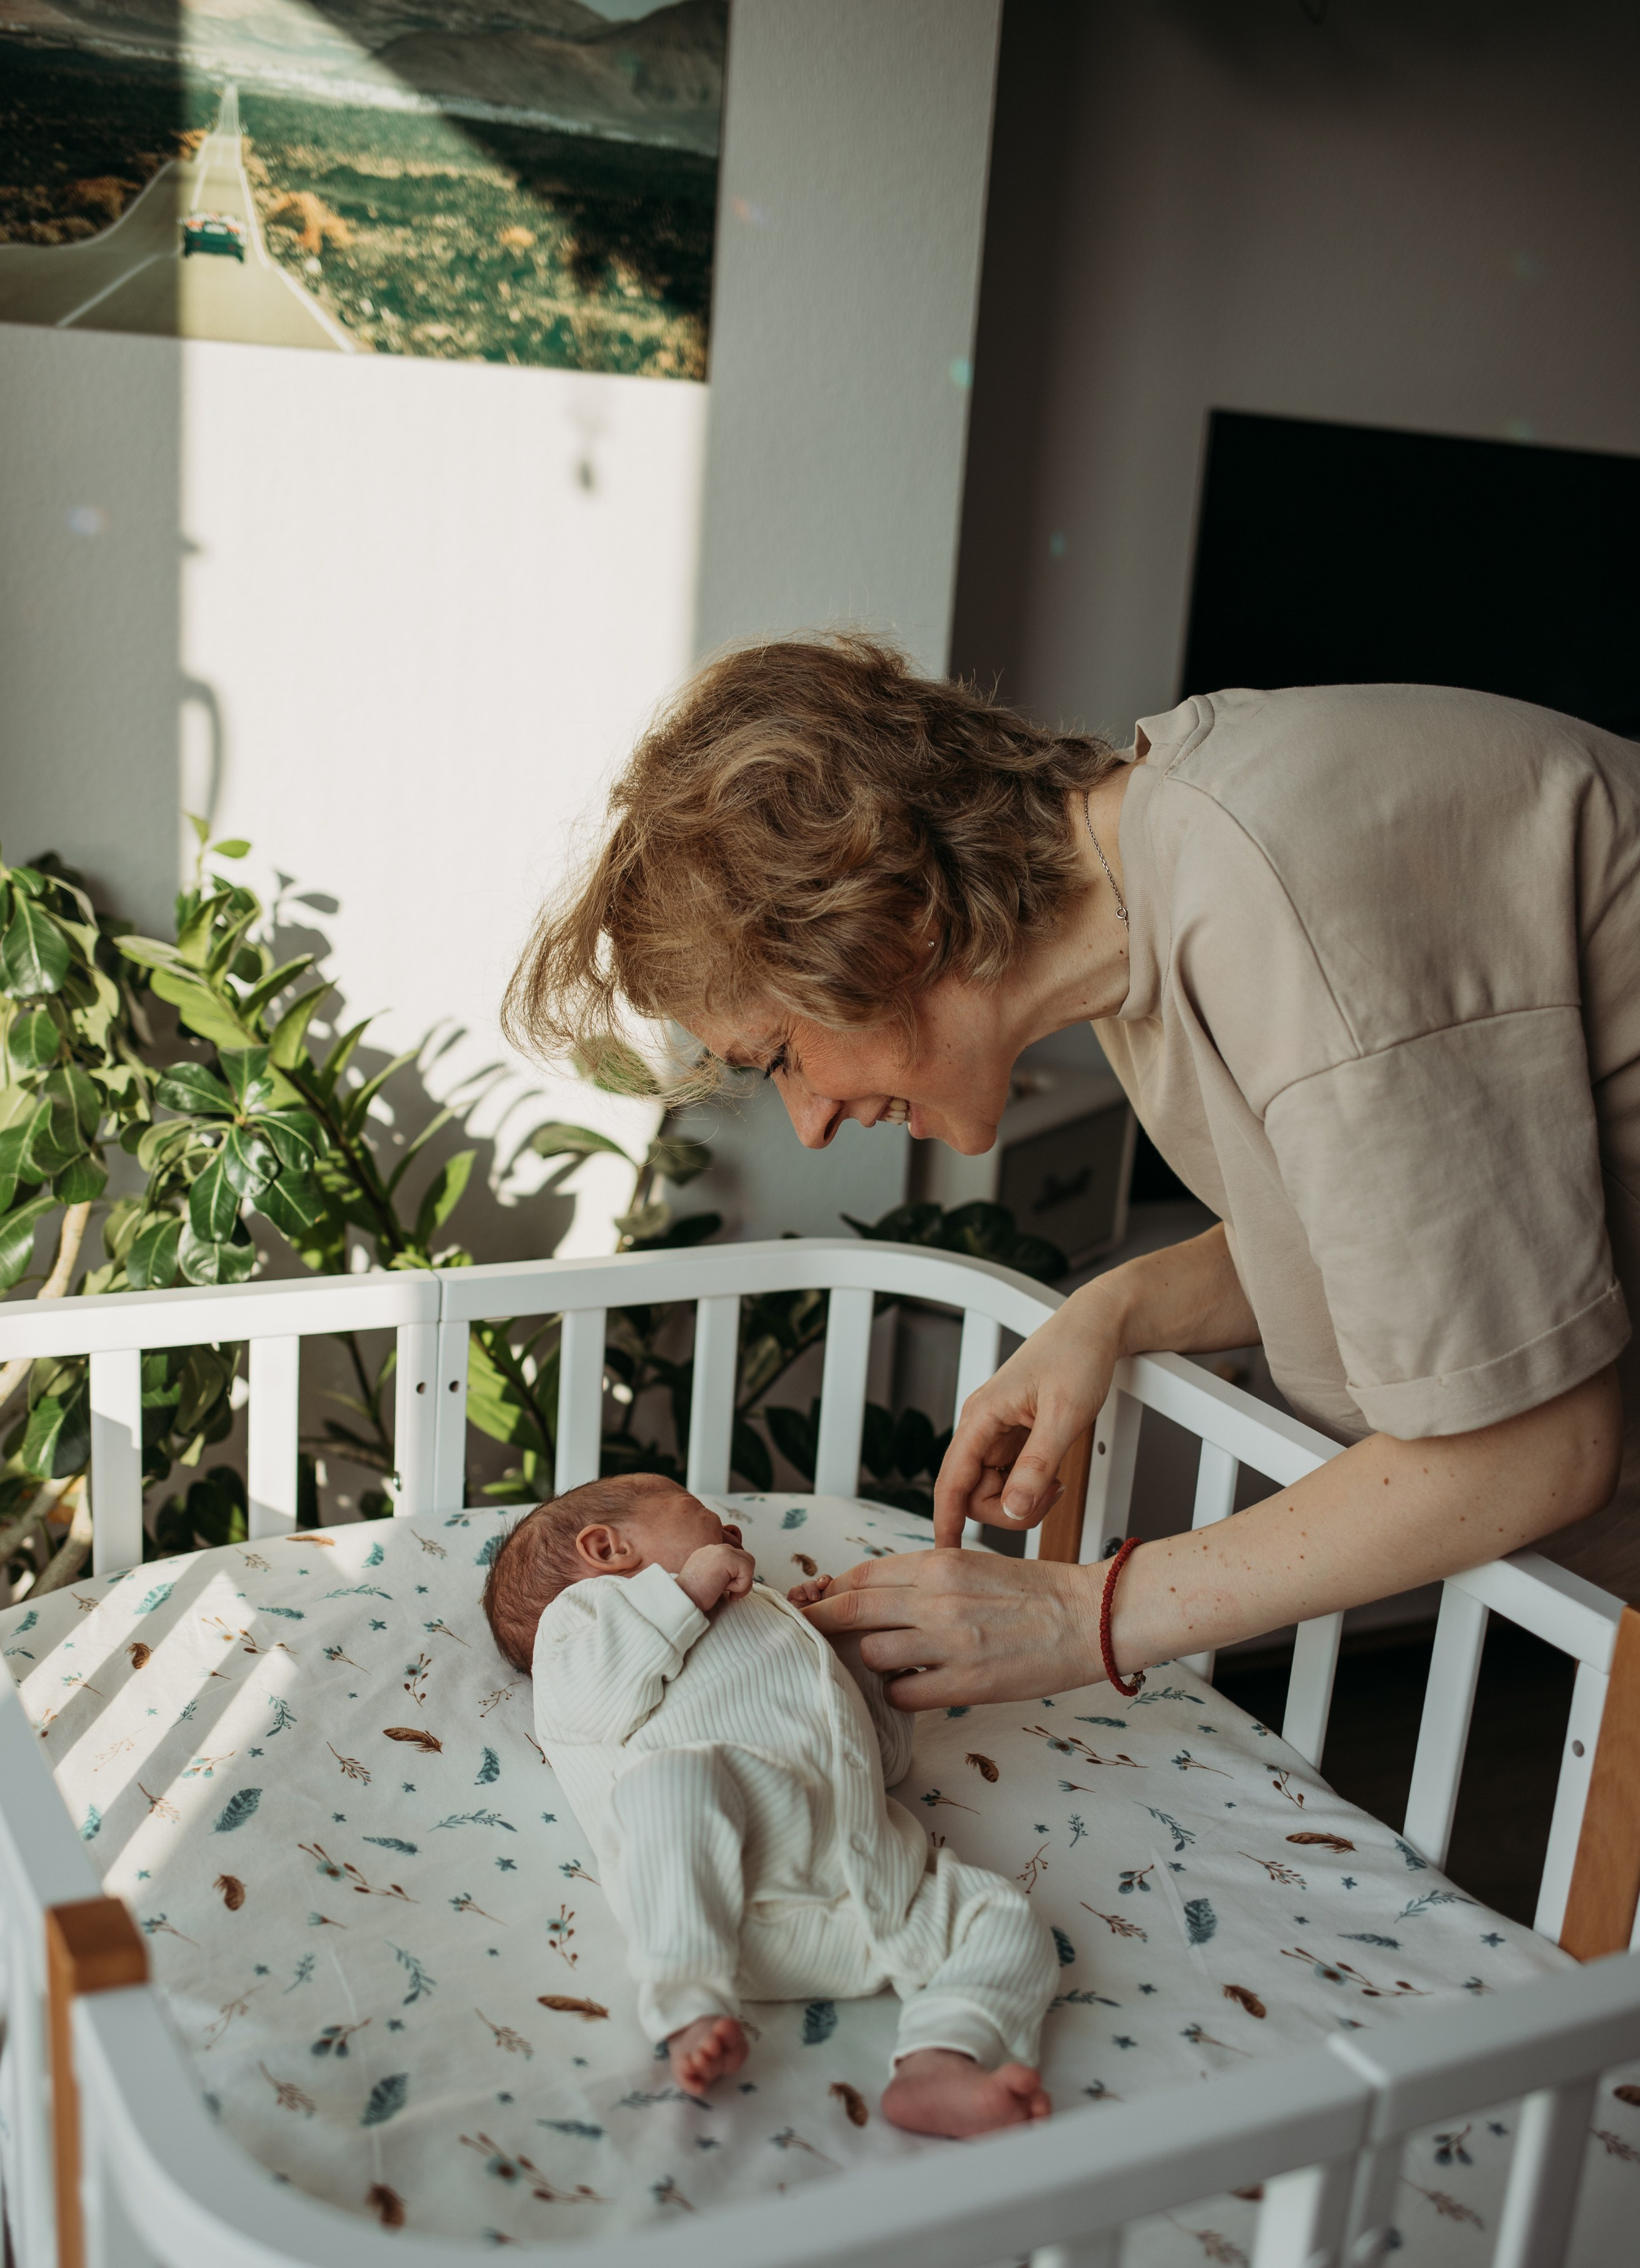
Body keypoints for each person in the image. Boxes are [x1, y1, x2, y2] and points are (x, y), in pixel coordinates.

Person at [504, 636, 1638, 1712]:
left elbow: (1531, 1445)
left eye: (784, 1057)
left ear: (881, 932)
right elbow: (1403, 1235)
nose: (810, 1121)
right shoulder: (1154, 904)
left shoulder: (1283, 891)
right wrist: (1114, 1310)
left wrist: (1085, 1612)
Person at [482, 1474, 1057, 2133]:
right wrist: (691, 1588)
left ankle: (941, 2057)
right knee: (668, 1783)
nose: (731, 1529)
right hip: (727, 1906)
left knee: (1000, 1917)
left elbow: (880, 1763)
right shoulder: (582, 1620)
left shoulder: (761, 1609)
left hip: (871, 1891)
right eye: (701, 1514)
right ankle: (687, 2001)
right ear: (607, 1549)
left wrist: (849, 1659)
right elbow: (593, 1702)